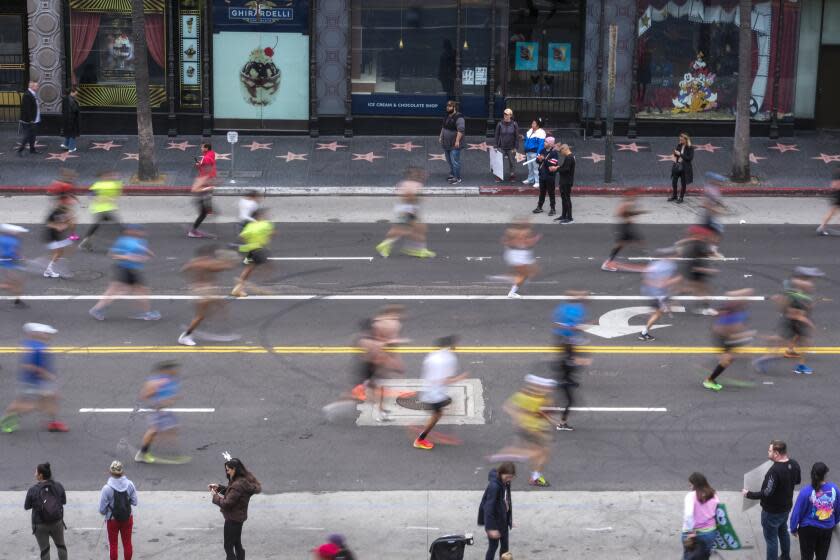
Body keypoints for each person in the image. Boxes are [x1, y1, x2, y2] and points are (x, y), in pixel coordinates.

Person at [753, 267, 823, 376]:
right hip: (796, 321)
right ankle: (766, 358)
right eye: (809, 279)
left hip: (793, 320)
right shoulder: (798, 294)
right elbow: (795, 312)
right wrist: (809, 323)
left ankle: (798, 363)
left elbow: (785, 303)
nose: (811, 283)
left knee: (798, 342)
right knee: (798, 343)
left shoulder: (794, 290)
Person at [0, 323, 69, 433]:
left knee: (51, 399)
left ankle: (53, 423)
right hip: (35, 381)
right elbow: (28, 365)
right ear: (36, 334)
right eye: (46, 333)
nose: (49, 335)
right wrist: (47, 375)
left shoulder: (31, 344)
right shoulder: (38, 349)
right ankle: (7, 419)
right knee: (35, 404)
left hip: (34, 380)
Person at [490, 375, 556, 487]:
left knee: (540, 452)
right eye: (545, 386)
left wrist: (517, 417)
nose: (548, 389)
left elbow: (507, 406)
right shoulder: (542, 399)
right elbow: (544, 414)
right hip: (534, 430)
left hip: (526, 429)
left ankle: (533, 474)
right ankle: (512, 455)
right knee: (541, 453)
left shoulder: (522, 395)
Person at [743, 440, 802, 560]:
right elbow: (797, 481)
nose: (768, 452)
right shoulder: (794, 464)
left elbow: (767, 492)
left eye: (769, 451)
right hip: (785, 508)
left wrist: (748, 494)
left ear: (776, 453)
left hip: (771, 512)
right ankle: (786, 556)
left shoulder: (774, 471)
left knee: (771, 540)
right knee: (783, 531)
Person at [89, 225, 161, 321]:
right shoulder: (124, 241)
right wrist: (128, 257)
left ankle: (97, 309)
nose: (142, 232)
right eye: (139, 230)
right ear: (130, 231)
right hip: (125, 269)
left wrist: (147, 254)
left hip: (132, 270)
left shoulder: (141, 241)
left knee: (132, 290)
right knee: (128, 290)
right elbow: (112, 255)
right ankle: (147, 313)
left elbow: (141, 252)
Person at [413, 335, 469, 450]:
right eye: (456, 345)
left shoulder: (432, 355)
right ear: (450, 346)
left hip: (428, 390)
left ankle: (420, 427)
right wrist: (460, 378)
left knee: (445, 407)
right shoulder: (449, 359)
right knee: (437, 415)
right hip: (435, 395)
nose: (457, 347)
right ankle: (420, 439)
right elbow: (444, 380)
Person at [178, 245, 236, 346]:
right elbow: (225, 267)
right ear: (207, 255)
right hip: (204, 291)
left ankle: (209, 325)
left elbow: (183, 270)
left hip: (203, 289)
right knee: (200, 315)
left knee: (221, 306)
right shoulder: (207, 263)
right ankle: (186, 335)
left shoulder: (194, 262)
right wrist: (229, 261)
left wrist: (191, 281)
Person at [135, 361, 189, 464]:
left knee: (171, 429)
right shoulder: (155, 382)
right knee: (153, 431)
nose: (176, 371)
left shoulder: (172, 380)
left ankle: (171, 453)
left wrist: (172, 398)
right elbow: (145, 395)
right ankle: (143, 453)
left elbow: (169, 394)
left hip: (164, 410)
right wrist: (158, 401)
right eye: (173, 369)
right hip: (157, 409)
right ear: (166, 371)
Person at [375, 167, 435, 259]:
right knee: (413, 230)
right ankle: (417, 250)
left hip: (403, 209)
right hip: (409, 211)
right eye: (422, 174)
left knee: (414, 229)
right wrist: (413, 209)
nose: (424, 175)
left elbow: (402, 195)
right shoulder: (416, 185)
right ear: (415, 175)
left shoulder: (403, 183)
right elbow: (409, 197)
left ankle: (415, 249)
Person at [209, 458, 262, 560]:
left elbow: (227, 503)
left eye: (228, 469)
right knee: (237, 543)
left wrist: (215, 496)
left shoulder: (237, 485)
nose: (227, 471)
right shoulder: (242, 481)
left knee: (228, 546)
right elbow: (233, 494)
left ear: (234, 469)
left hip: (232, 519)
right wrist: (219, 488)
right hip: (238, 517)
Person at [551, 293, 590, 432]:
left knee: (568, 399)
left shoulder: (567, 354)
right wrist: (582, 361)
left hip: (565, 379)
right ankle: (562, 424)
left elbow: (571, 332)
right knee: (570, 402)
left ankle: (560, 420)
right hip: (564, 382)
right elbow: (571, 365)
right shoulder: (567, 360)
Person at [702, 289, 755, 392]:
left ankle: (714, 370)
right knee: (727, 360)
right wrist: (746, 335)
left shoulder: (737, 310)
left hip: (729, 337)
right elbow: (729, 334)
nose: (746, 300)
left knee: (735, 356)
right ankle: (709, 380)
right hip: (726, 338)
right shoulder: (731, 314)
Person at [790, 462, 840, 560]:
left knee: (806, 557)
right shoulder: (834, 489)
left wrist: (793, 528)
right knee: (822, 557)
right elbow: (838, 509)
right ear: (825, 475)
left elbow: (797, 512)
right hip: (826, 528)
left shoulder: (805, 491)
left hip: (807, 530)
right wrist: (834, 521)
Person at [24, 462, 67, 560]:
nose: (35, 474)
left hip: (39, 525)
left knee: (45, 550)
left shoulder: (33, 490)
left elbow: (26, 506)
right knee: (61, 546)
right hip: (57, 522)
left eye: (36, 472)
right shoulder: (58, 486)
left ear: (40, 475)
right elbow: (63, 502)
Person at [99, 460, 138, 560]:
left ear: (110, 472)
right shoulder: (130, 484)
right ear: (122, 472)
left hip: (112, 520)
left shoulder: (106, 488)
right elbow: (135, 502)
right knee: (127, 543)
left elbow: (102, 510)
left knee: (113, 545)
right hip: (127, 518)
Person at [231, 208, 274, 298]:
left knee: (249, 267)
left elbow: (242, 236)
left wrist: (251, 240)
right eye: (264, 215)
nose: (266, 216)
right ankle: (245, 285)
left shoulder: (250, 225)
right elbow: (272, 233)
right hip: (258, 250)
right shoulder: (266, 224)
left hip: (249, 250)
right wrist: (264, 238)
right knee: (267, 267)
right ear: (259, 216)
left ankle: (239, 286)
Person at [478, 462, 515, 560]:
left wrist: (509, 518)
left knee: (505, 547)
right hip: (494, 522)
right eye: (507, 477)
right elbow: (488, 508)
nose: (509, 480)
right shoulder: (494, 487)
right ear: (500, 473)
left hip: (503, 519)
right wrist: (491, 528)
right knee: (493, 547)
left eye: (511, 477)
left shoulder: (505, 482)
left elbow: (507, 499)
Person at [602, 190, 646, 271]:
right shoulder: (625, 204)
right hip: (624, 227)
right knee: (623, 244)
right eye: (634, 196)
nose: (635, 197)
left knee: (636, 241)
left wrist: (637, 212)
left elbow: (628, 213)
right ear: (629, 196)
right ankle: (607, 263)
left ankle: (609, 261)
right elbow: (619, 214)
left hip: (627, 226)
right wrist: (635, 213)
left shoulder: (629, 204)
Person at [638, 257, 680, 341]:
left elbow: (646, 279)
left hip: (655, 295)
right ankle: (644, 333)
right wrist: (677, 279)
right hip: (659, 296)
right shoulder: (665, 270)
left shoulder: (655, 267)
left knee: (661, 309)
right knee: (657, 314)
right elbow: (663, 284)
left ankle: (660, 310)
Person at [79, 172, 123, 251]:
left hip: (107, 208)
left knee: (98, 225)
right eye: (107, 176)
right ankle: (125, 243)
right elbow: (90, 195)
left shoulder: (113, 184)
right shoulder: (98, 185)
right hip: (100, 209)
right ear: (102, 177)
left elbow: (118, 192)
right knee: (117, 225)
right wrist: (100, 198)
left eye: (110, 175)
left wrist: (117, 179)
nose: (109, 177)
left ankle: (86, 241)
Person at [682, 472, 720, 559]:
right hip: (710, 532)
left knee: (689, 557)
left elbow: (688, 515)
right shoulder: (713, 494)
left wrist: (690, 531)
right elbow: (718, 510)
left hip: (694, 533)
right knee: (704, 557)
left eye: (690, 485)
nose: (690, 488)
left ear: (695, 485)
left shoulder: (691, 496)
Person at [502, 218, 541, 298]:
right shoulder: (527, 232)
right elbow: (528, 243)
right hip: (521, 254)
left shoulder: (510, 231)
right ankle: (512, 292)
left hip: (513, 253)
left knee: (533, 269)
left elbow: (505, 241)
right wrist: (536, 239)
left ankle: (519, 279)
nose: (530, 224)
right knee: (524, 274)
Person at [189, 143, 217, 239]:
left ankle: (193, 230)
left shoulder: (206, 158)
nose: (201, 148)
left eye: (202, 147)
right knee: (203, 212)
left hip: (204, 185)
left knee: (203, 212)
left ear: (206, 148)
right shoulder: (211, 154)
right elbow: (196, 190)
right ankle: (193, 231)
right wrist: (200, 165)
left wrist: (200, 165)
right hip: (200, 196)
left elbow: (206, 164)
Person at [43, 198, 76, 278]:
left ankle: (48, 265)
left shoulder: (64, 212)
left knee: (60, 252)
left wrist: (69, 222)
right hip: (52, 236)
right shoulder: (54, 213)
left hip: (58, 236)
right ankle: (48, 270)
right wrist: (57, 226)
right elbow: (47, 224)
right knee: (59, 252)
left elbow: (68, 222)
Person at [0, 223, 29, 307]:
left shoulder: (2, 238)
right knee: (16, 283)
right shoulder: (14, 241)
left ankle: (18, 300)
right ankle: (17, 301)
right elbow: (14, 253)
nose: (18, 233)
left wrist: (20, 257)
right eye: (16, 231)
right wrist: (20, 257)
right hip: (7, 265)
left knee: (17, 282)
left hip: (7, 264)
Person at [439, 100, 465, 184]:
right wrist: (440, 136)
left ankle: (457, 178)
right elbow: (443, 127)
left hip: (454, 144)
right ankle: (453, 174)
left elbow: (461, 130)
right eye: (447, 106)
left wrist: (457, 141)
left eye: (450, 106)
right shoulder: (447, 116)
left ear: (454, 107)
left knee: (455, 161)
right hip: (446, 143)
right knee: (449, 160)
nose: (448, 107)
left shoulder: (459, 117)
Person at [532, 136, 558, 216]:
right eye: (544, 142)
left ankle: (553, 209)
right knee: (542, 192)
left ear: (550, 144)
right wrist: (539, 159)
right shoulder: (542, 150)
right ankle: (539, 207)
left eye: (546, 142)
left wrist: (543, 160)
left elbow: (553, 164)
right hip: (542, 175)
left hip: (550, 176)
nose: (544, 143)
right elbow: (537, 160)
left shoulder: (554, 153)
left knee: (551, 193)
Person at [494, 108, 520, 182]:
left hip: (511, 147)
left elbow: (516, 136)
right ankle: (499, 176)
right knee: (499, 162)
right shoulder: (499, 124)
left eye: (507, 114)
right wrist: (495, 146)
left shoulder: (514, 124)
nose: (505, 116)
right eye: (504, 114)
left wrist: (516, 147)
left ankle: (512, 175)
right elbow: (497, 135)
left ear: (510, 115)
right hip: (501, 146)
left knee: (512, 162)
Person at [669, 132, 694, 203]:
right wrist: (675, 153)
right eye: (679, 140)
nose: (680, 141)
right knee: (674, 182)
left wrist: (680, 154)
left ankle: (681, 197)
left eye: (681, 140)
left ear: (686, 140)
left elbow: (689, 158)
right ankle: (674, 195)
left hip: (685, 168)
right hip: (677, 165)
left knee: (683, 183)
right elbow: (676, 156)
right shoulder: (679, 145)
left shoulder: (690, 147)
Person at [17, 80, 40, 156]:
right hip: (29, 120)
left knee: (33, 135)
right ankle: (20, 150)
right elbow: (27, 109)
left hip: (34, 119)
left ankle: (32, 149)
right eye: (37, 86)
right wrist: (31, 120)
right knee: (27, 135)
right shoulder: (27, 95)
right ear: (32, 87)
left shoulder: (33, 94)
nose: (38, 87)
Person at [554, 144, 576, 224]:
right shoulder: (569, 157)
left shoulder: (569, 158)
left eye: (561, 151)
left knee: (567, 199)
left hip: (567, 181)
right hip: (564, 181)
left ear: (564, 149)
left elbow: (566, 169)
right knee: (564, 199)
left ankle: (569, 218)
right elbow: (564, 167)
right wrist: (558, 168)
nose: (561, 153)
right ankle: (564, 215)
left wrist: (556, 169)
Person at [816, 168, 840, 235]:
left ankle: (821, 227)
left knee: (832, 211)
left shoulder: (837, 173)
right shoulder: (838, 173)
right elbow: (836, 185)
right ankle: (821, 227)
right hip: (838, 194)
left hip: (836, 193)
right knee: (832, 211)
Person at [522, 119, 545, 186]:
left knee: (536, 167)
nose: (532, 124)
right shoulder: (530, 131)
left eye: (534, 123)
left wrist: (538, 154)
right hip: (528, 152)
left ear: (538, 125)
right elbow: (528, 140)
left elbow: (541, 144)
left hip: (535, 153)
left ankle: (537, 181)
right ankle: (530, 179)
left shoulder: (541, 133)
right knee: (530, 167)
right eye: (532, 123)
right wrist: (524, 138)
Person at [60, 87, 80, 152]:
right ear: (72, 92)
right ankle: (72, 148)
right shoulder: (72, 100)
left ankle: (66, 144)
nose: (76, 94)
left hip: (66, 119)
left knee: (69, 132)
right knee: (73, 134)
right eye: (76, 93)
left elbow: (63, 110)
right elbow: (75, 110)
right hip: (72, 119)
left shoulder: (65, 98)